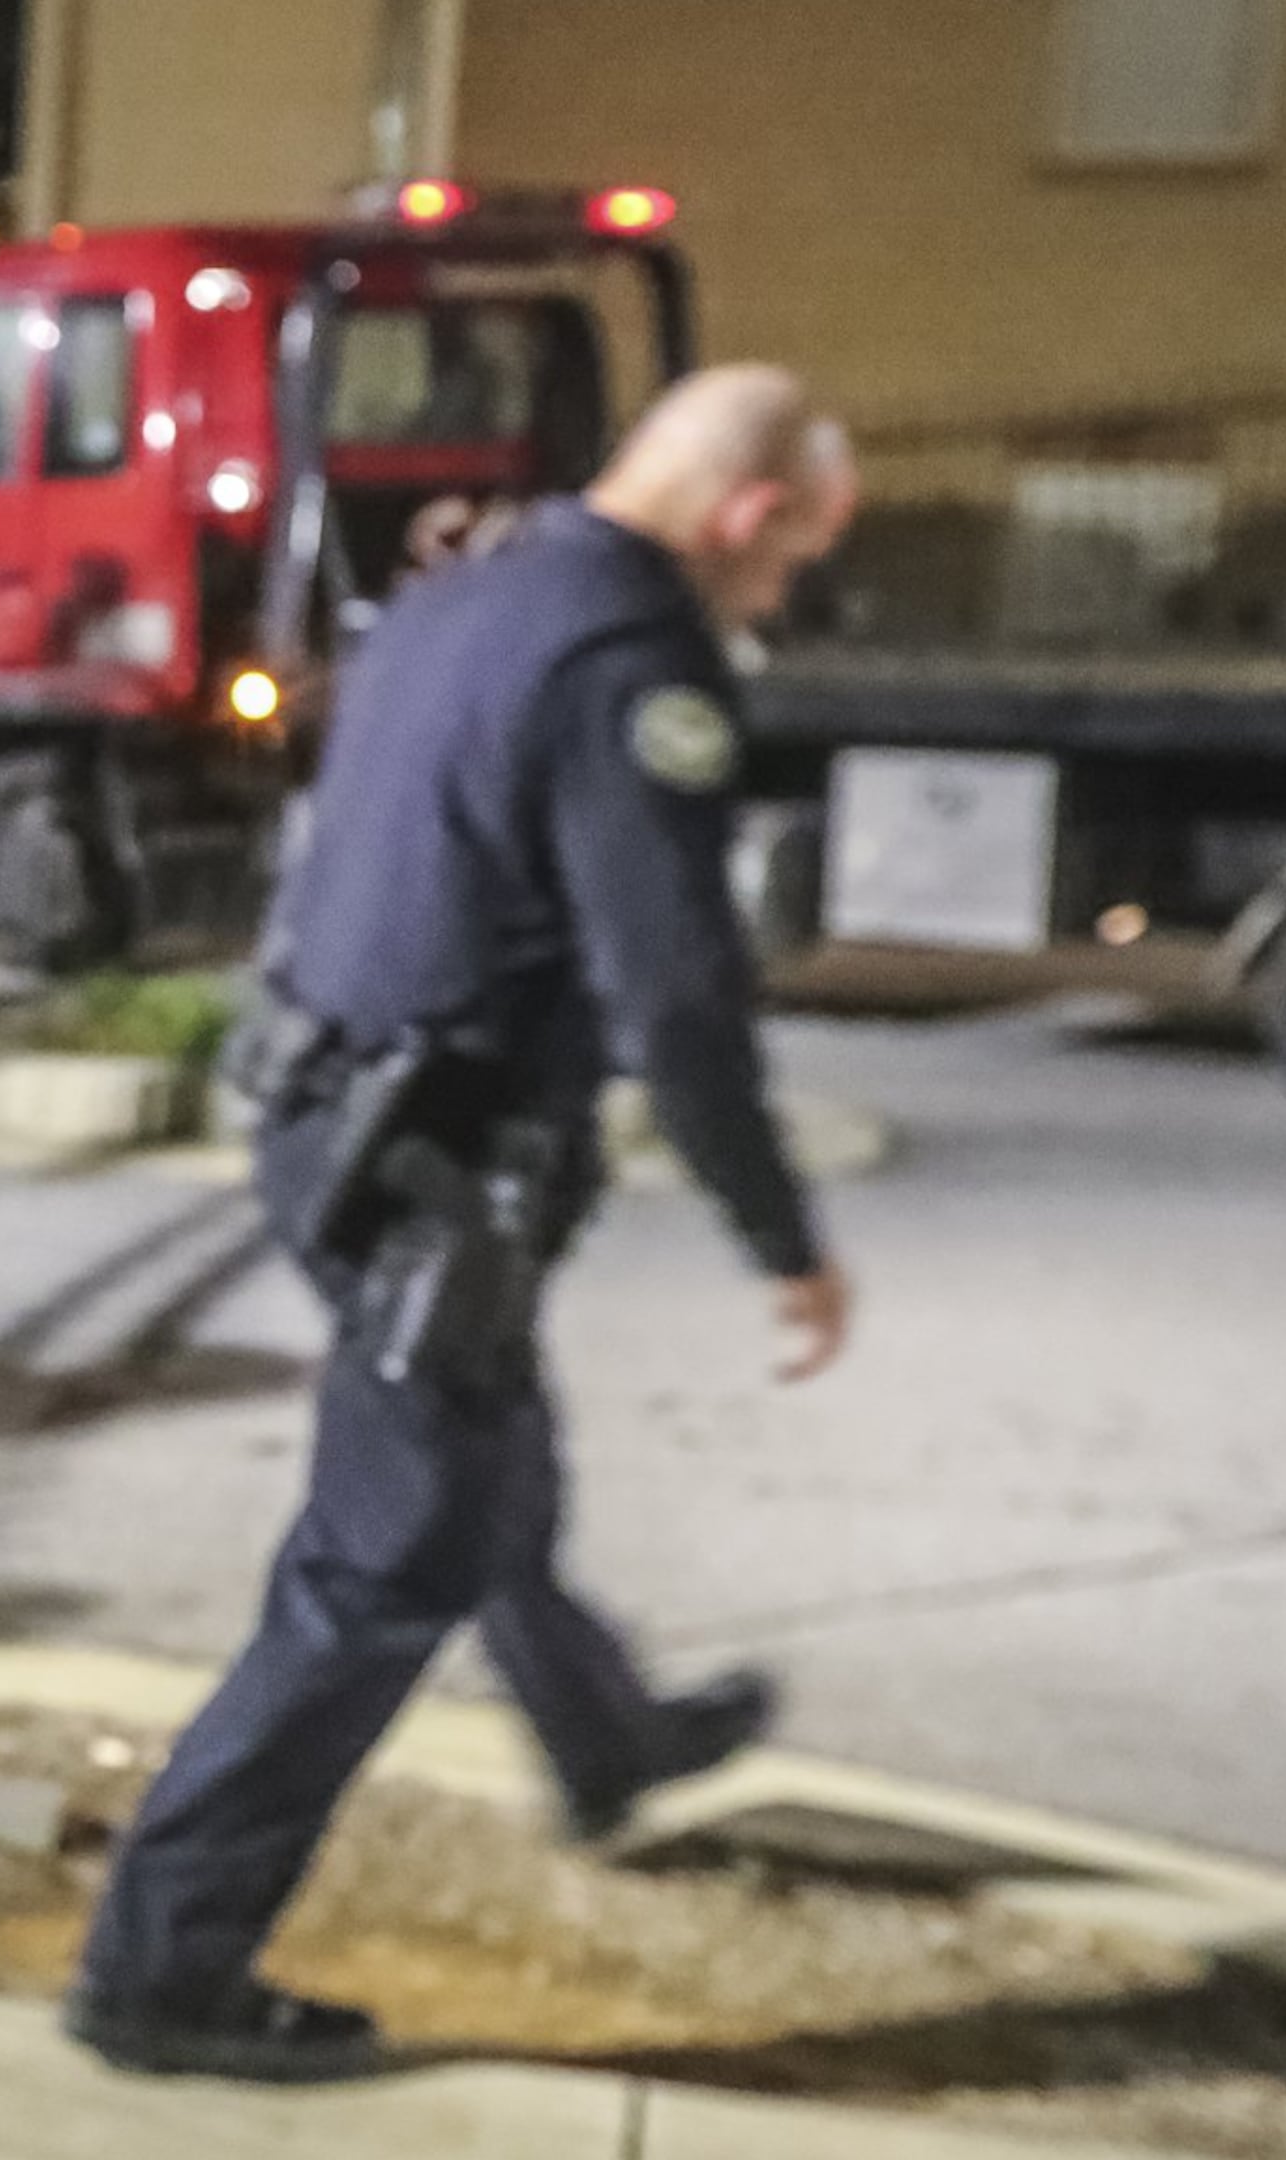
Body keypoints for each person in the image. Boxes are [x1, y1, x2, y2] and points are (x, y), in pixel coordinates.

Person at [63, 365, 861, 2085]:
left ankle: (607, 1739)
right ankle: (160, 1970)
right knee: (383, 1562)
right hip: (431, 1159)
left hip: (327, 1102)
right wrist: (781, 1234)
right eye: (792, 558)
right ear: (742, 514)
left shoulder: (475, 589)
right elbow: (676, 996)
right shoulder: (634, 661)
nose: (782, 595)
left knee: (490, 1449)